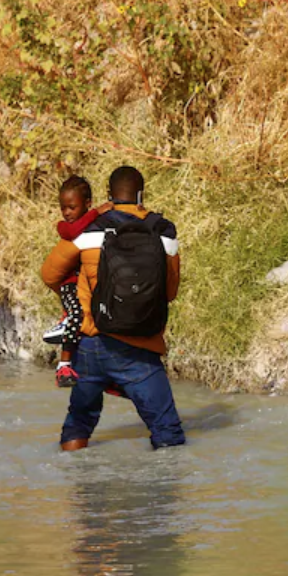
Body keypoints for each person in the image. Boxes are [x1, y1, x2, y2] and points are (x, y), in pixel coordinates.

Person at [40, 166, 186, 452]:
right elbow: (170, 293)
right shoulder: (164, 233)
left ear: (108, 195)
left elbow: (49, 274)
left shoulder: (88, 231)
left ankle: (76, 489)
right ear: (141, 195)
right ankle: (167, 495)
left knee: (78, 423)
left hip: (90, 345)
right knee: (167, 431)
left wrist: (74, 293)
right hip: (139, 348)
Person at [42, 175, 102, 388]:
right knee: (77, 315)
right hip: (69, 283)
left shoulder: (96, 224)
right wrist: (97, 212)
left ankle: (67, 323)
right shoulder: (69, 227)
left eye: (71, 207)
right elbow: (72, 230)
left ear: (87, 203)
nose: (66, 213)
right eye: (63, 207)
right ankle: (64, 365)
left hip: (85, 283)